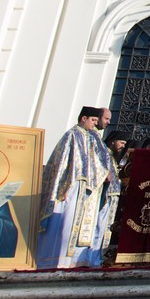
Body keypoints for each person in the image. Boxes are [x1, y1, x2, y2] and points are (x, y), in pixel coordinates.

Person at [36, 106, 120, 269]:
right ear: (84, 118)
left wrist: (103, 173)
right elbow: (65, 162)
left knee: (74, 225)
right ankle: (54, 260)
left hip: (84, 187)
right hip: (71, 185)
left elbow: (93, 161)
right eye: (93, 120)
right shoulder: (72, 135)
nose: (95, 124)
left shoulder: (89, 137)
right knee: (63, 224)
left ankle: (70, 260)